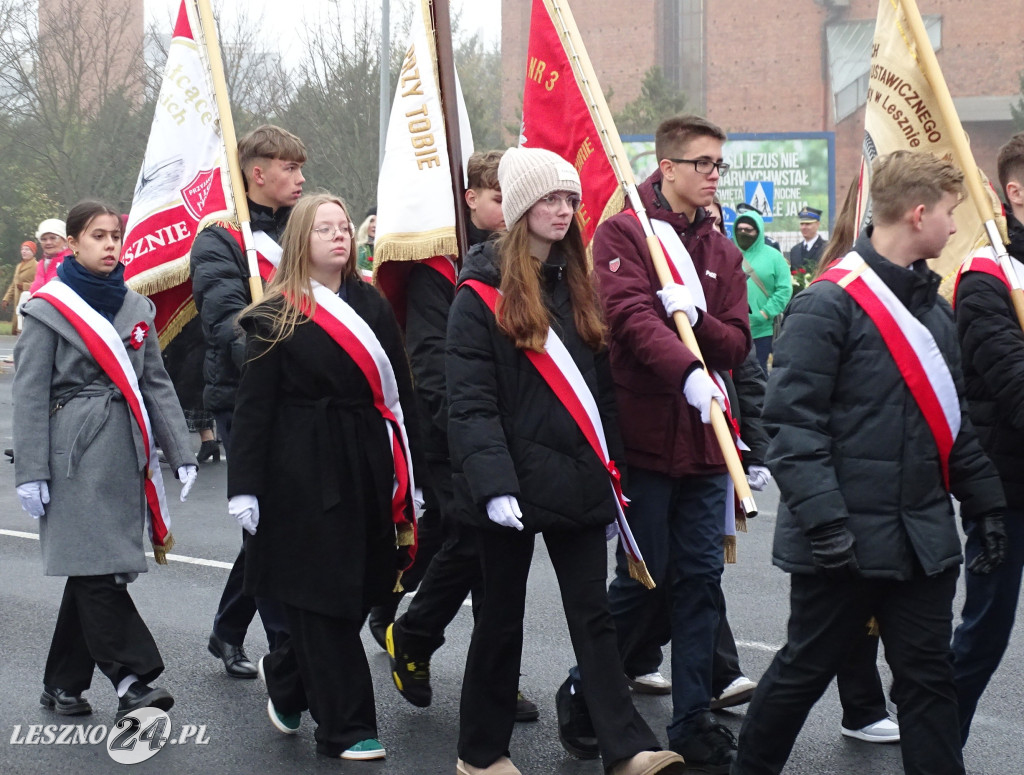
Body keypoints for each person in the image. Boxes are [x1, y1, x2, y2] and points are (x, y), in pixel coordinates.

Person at [732, 150, 1007, 775]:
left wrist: (986, 503)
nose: (952, 224)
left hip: (920, 540)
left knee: (928, 685)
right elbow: (792, 427)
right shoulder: (827, 305)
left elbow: (952, 426)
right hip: (845, 543)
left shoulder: (934, 311)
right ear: (917, 214)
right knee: (802, 672)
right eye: (948, 212)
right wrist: (827, 524)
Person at [447, 146, 685, 775]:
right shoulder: (478, 294)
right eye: (550, 198)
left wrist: (616, 481)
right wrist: (493, 484)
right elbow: (470, 403)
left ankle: (625, 748)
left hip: (578, 479)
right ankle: (481, 754)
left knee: (595, 618)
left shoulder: (580, 285)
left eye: (570, 199)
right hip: (511, 488)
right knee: (500, 621)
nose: (563, 210)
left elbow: (603, 396)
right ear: (521, 206)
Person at [227, 193, 421, 761]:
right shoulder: (275, 312)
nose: (340, 236)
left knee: (364, 584)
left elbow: (399, 393)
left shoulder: (372, 303)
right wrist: (245, 485)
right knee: (322, 592)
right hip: (300, 469)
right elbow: (254, 408)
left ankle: (286, 678)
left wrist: (419, 476)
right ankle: (346, 727)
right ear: (300, 242)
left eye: (344, 227)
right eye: (325, 229)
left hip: (367, 457)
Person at [591, 115, 751, 773]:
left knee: (699, 583)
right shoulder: (624, 232)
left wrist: (698, 320)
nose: (715, 174)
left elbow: (737, 342)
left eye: (720, 163)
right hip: (649, 438)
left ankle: (691, 720)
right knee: (641, 583)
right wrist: (684, 367)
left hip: (709, 444)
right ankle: (587, 693)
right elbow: (626, 320)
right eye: (705, 163)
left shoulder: (723, 249)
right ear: (669, 167)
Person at [13, 200, 198, 721]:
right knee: (100, 568)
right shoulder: (48, 307)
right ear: (73, 243)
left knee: (93, 566)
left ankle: (62, 683)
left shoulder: (136, 307)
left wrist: (180, 451)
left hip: (124, 451)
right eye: (98, 236)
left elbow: (154, 382)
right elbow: (29, 394)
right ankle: (132, 679)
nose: (111, 245)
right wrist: (30, 471)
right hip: (72, 454)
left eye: (116, 235)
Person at [380, 148, 537, 723]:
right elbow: (428, 353)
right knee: (478, 544)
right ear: (471, 200)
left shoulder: (523, 260)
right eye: (501, 198)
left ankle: (435, 645)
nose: (513, 208)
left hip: (507, 428)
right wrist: (457, 424)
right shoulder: (437, 267)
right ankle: (417, 637)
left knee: (496, 553)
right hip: (452, 426)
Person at [190, 124, 305, 678]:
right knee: (271, 518)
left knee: (275, 518)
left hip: (301, 395)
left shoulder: (303, 231)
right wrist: (273, 370)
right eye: (290, 169)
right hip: (244, 396)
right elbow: (224, 321)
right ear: (258, 173)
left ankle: (228, 627)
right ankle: (287, 645)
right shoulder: (220, 240)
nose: (301, 178)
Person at [951, 130, 1024, 745]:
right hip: (1006, 487)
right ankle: (936, 744)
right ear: (1015, 191)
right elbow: (1012, 385)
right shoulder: (984, 278)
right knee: (985, 631)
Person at [734, 208, 792, 373]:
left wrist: (765, 313)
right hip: (734, 329)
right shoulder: (729, 252)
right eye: (740, 230)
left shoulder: (774, 256)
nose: (743, 233)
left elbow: (784, 289)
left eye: (748, 230)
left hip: (762, 330)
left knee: (758, 374)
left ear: (758, 231)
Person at [3, 241, 38, 335]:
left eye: (27, 249)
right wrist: (6, 299)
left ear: (33, 252)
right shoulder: (18, 266)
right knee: (16, 330)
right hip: (17, 302)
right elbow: (13, 285)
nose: (24, 251)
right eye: (22, 249)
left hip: (29, 302)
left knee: (24, 331)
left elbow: (40, 284)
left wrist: (25, 286)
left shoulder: (36, 265)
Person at [28, 218, 72, 294]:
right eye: (44, 239)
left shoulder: (71, 262)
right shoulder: (42, 264)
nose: (48, 242)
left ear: (64, 240)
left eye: (53, 238)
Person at [789, 207, 827, 273]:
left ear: (817, 224)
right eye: (802, 224)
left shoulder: (826, 248)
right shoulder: (795, 250)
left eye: (808, 224)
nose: (804, 227)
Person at [356, 209, 376, 280]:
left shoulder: (389, 251)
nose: (374, 225)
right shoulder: (358, 248)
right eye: (371, 221)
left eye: (379, 221)